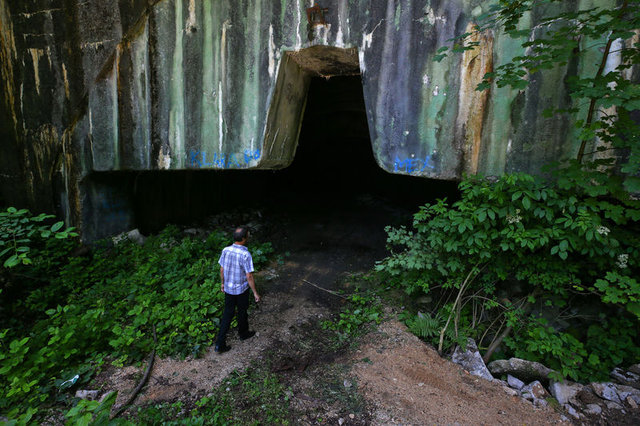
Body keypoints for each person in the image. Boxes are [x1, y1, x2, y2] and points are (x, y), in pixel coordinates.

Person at [215, 226, 261, 354]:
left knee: (227, 314)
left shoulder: (226, 250)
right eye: (248, 235)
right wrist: (255, 293)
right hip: (241, 290)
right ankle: (243, 333)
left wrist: (223, 284)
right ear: (244, 238)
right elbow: (249, 276)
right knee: (242, 311)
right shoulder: (245, 254)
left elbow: (222, 269)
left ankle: (220, 343)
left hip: (229, 289)